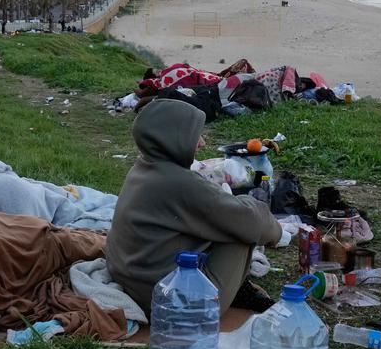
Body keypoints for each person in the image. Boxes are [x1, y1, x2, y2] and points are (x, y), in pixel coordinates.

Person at [106, 98, 282, 312]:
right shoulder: (178, 182)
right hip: (175, 303)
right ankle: (236, 291)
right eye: (194, 135)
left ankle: (236, 285)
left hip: (138, 286)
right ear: (173, 138)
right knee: (242, 229)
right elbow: (251, 222)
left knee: (226, 219)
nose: (201, 143)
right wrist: (276, 232)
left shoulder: (142, 169)